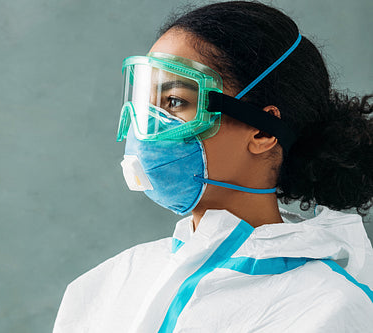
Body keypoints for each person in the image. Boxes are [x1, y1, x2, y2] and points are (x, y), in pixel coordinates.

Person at [54, 1, 373, 332]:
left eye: (175, 102)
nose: (145, 126)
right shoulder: (109, 285)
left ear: (263, 130)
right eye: (144, 101)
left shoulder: (325, 310)